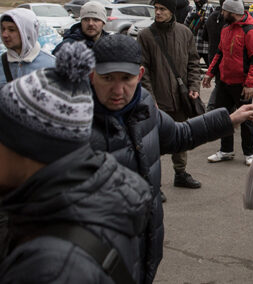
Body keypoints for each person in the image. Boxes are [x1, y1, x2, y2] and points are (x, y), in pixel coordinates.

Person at [89, 34, 253, 282]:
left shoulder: (144, 107)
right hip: (94, 259)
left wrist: (229, 120)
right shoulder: (70, 125)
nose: (118, 90)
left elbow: (181, 135)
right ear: (91, 75)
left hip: (143, 247)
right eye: (107, 79)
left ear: (140, 73)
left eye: (126, 79)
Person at [0, 43, 152, 284]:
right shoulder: (86, 199)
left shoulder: (51, 269)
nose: (118, 89)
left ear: (27, 148)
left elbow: (175, 134)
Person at [138, 0, 204, 189]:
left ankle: (181, 173)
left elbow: (193, 63)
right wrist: (150, 98)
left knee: (180, 138)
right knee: (153, 144)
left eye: (162, 9)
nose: (158, 13)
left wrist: (194, 87)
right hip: (157, 99)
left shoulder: (184, 33)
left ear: (172, 11)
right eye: (156, 9)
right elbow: (143, 70)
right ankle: (153, 183)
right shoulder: (145, 36)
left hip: (181, 97)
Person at [203, 0, 253, 166]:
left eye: (224, 10)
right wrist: (210, 73)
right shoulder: (226, 28)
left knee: (245, 119)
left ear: (232, 12)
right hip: (224, 81)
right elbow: (220, 53)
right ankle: (226, 150)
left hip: (242, 84)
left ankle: (249, 153)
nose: (221, 13)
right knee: (224, 117)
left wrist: (250, 84)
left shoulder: (250, 31)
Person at [0, 8, 55, 88]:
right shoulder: (2, 63)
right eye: (3, 29)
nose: (4, 35)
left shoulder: (51, 66)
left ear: (27, 32)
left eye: (11, 30)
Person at [203, 0, 232, 110]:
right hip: (223, 58)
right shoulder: (228, 20)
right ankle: (211, 109)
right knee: (221, 85)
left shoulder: (211, 17)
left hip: (212, 56)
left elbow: (204, 36)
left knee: (220, 84)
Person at [184, 0, 214, 64]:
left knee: (210, 66)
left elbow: (211, 25)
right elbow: (186, 24)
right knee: (192, 65)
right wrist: (191, 17)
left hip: (206, 45)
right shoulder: (193, 9)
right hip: (195, 44)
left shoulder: (209, 8)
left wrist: (203, 20)